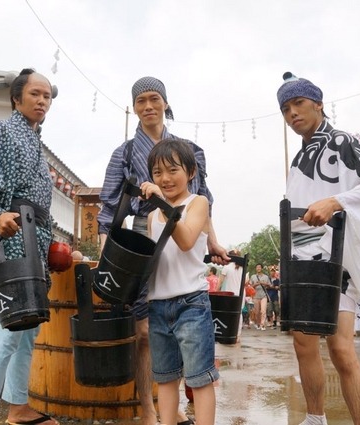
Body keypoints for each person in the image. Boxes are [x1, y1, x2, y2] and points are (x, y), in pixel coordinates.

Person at [98, 76, 227, 425]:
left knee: (187, 344)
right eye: (140, 101)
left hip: (183, 225)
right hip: (143, 234)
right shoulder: (124, 153)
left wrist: (212, 239)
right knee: (143, 333)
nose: (148, 106)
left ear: (166, 103)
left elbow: (203, 202)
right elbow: (109, 210)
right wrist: (104, 257)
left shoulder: (189, 150)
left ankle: (181, 410)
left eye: (154, 99)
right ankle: (148, 410)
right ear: (134, 107)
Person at [277, 73, 360, 425]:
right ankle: (314, 418)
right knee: (303, 345)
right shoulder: (298, 158)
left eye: (299, 104)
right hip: (302, 257)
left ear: (318, 104)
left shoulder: (343, 142)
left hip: (335, 254)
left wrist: (335, 201)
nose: (292, 113)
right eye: (285, 108)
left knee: (340, 349)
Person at [0, 69, 59, 425]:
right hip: (12, 234)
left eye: (47, 96)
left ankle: (18, 407)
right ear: (16, 98)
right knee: (11, 326)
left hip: (37, 237)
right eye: (35, 94)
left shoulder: (36, 142)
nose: (42, 101)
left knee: (29, 327)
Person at [140, 139, 219, 425]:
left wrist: (161, 201)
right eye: (157, 172)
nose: (165, 178)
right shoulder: (151, 216)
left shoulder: (197, 203)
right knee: (165, 378)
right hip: (158, 303)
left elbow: (185, 241)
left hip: (191, 303)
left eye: (173, 170)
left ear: (191, 172)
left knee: (200, 378)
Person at [250, 263, 271, 330]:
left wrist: (263, 283)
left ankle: (262, 325)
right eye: (257, 267)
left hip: (263, 296)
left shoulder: (266, 277)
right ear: (256, 269)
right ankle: (258, 323)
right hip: (255, 296)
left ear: (261, 268)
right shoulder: (253, 276)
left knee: (263, 311)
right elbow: (250, 286)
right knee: (257, 312)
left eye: (259, 267)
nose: (258, 268)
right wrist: (256, 284)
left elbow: (269, 285)